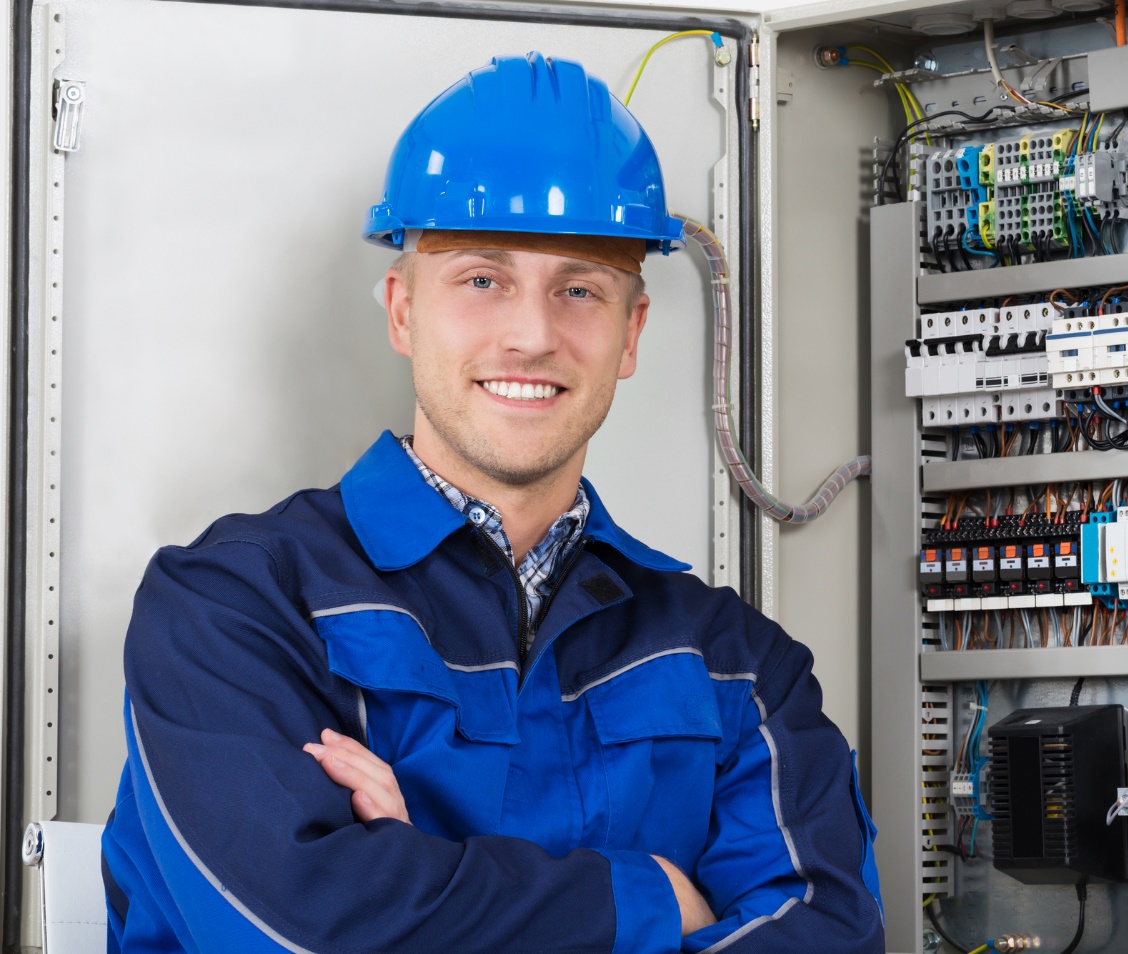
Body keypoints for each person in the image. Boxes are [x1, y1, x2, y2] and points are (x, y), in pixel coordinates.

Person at [100, 52, 884, 953]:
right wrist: (657, 900)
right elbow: (303, 928)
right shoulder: (236, 606)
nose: (531, 334)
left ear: (630, 334)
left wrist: (417, 879)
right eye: (481, 278)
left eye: (579, 288)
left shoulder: (739, 667)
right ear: (401, 311)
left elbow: (827, 936)